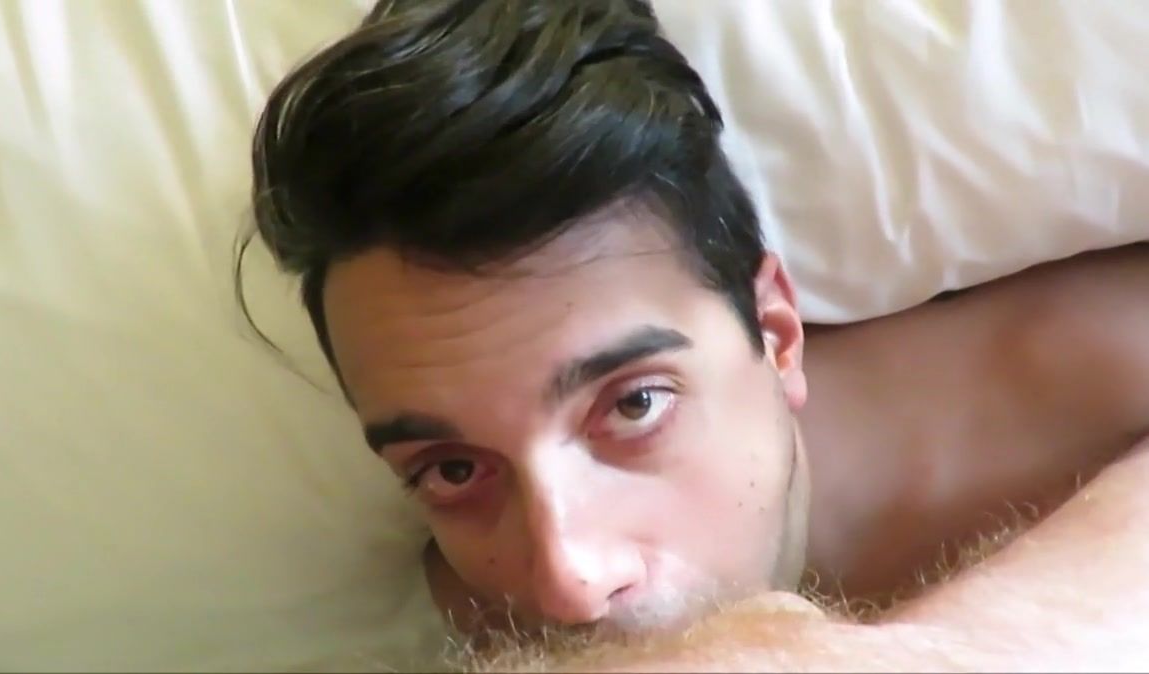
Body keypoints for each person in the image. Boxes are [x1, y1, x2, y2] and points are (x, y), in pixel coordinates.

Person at [242, 0, 1149, 669]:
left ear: (776, 332)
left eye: (634, 405)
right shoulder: (478, 610)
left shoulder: (1083, 381)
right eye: (452, 469)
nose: (568, 580)